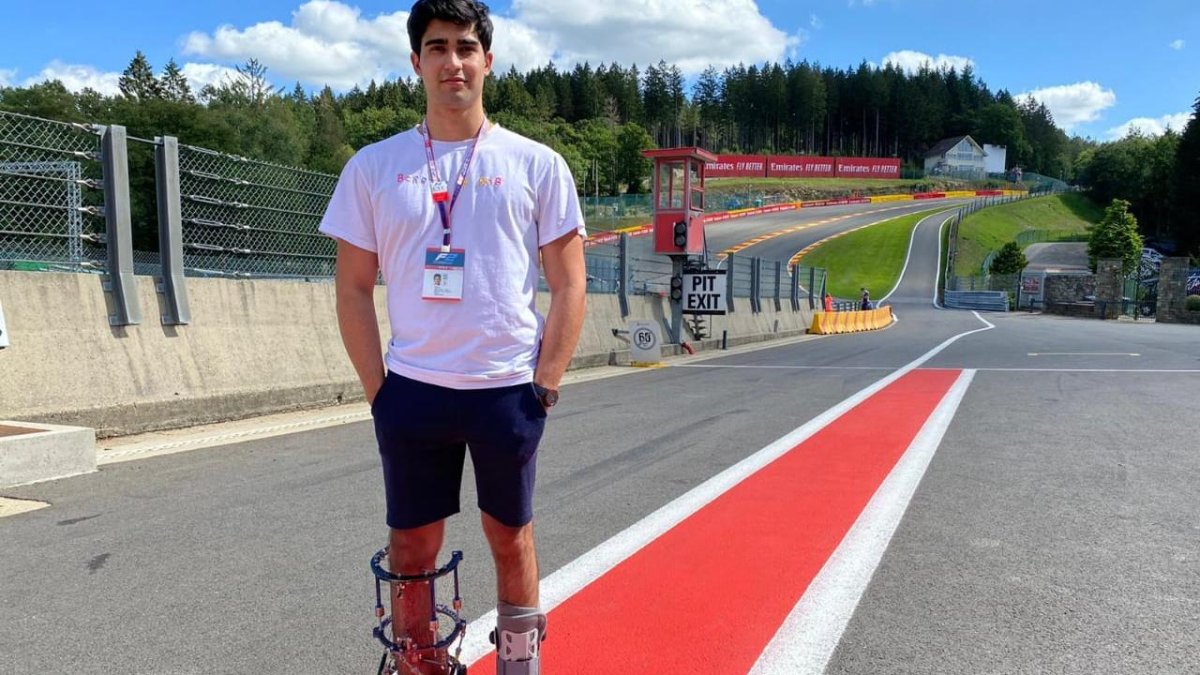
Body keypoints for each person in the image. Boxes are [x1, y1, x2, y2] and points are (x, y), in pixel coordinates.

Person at [319, 1, 587, 672]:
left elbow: (570, 282)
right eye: (437, 48)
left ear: (488, 61)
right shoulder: (375, 167)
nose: (453, 61)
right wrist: (379, 390)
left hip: (505, 389)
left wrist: (545, 383)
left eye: (466, 47)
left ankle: (519, 666)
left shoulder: (536, 164)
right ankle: (419, 664)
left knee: (510, 536)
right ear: (416, 63)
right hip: (413, 390)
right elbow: (352, 286)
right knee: (411, 545)